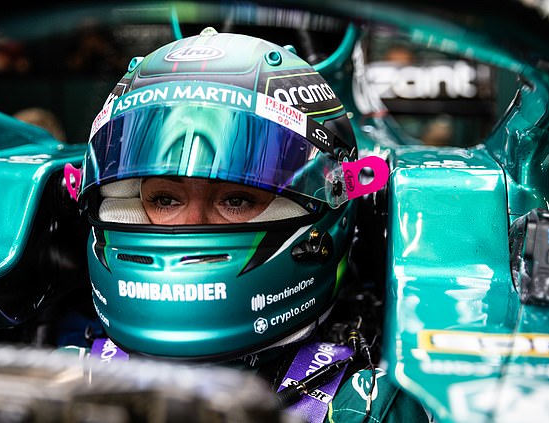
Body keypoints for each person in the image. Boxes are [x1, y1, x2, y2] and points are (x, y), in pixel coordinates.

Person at [66, 27, 429, 423]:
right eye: (165, 199)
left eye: (236, 199)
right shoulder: (60, 374)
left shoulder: (367, 409)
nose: (190, 225)